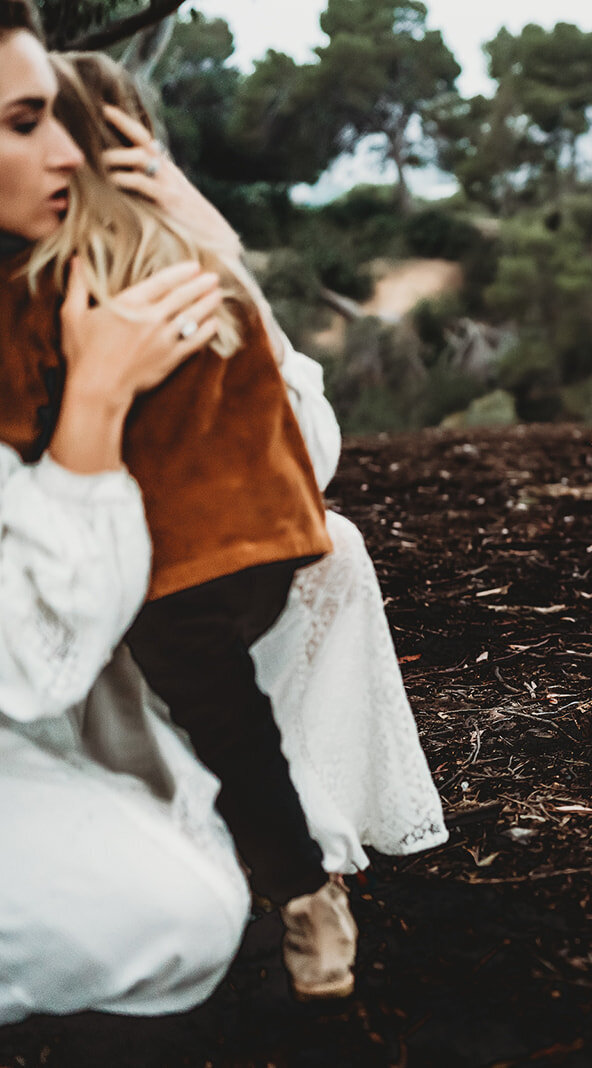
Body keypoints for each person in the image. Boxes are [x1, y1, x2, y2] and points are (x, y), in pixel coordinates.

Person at [53, 48, 448, 876]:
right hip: (67, 577)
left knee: (331, 547)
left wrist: (224, 259)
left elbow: (310, 458)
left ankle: (305, 797)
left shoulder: (186, 280)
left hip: (186, 565)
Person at [0, 1, 249, 1021]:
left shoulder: (52, 282)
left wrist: (217, 249)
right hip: (35, 670)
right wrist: (95, 405)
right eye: (22, 122)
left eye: (61, 115)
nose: (67, 152)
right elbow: (25, 660)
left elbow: (303, 464)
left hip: (74, 659)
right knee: (175, 910)